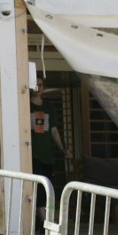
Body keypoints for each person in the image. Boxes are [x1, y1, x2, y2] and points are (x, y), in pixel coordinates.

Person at [30, 75, 68, 225]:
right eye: (35, 84)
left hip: (48, 155)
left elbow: (53, 130)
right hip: (33, 154)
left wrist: (62, 148)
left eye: (40, 84)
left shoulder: (49, 107)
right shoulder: (25, 105)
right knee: (39, 188)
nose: (38, 87)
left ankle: (48, 219)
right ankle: (44, 222)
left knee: (49, 189)